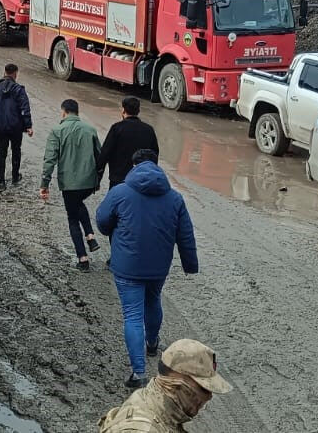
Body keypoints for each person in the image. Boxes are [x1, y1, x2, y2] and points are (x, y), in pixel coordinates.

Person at [96, 150, 198, 389]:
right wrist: (190, 264)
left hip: (128, 266)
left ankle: (139, 373)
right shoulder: (174, 198)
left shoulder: (120, 192)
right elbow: (185, 234)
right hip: (158, 266)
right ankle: (152, 343)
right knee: (153, 301)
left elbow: (102, 221)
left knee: (132, 315)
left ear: (134, 166)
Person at [98, 340, 232, 433]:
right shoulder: (142, 429)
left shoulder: (149, 399)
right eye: (203, 388)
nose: (208, 397)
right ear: (176, 381)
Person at [40, 99, 101, 269]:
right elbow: (100, 156)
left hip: (69, 184)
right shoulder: (90, 129)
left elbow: (50, 160)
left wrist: (44, 183)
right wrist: (97, 179)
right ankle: (90, 236)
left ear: (64, 112)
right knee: (78, 203)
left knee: (72, 218)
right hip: (88, 182)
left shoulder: (57, 131)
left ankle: (83, 258)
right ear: (77, 112)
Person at [0, 63, 33, 187]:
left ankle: (1, 181)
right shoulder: (18, 90)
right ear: (15, 74)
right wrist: (28, 126)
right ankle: (15, 177)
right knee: (16, 151)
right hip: (15, 126)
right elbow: (25, 108)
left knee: (1, 153)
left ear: (4, 72)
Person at [99, 96, 159, 189]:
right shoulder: (148, 129)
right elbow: (154, 155)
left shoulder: (117, 128)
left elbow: (105, 153)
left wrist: (98, 175)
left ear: (123, 110)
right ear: (138, 111)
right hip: (141, 180)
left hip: (118, 179)